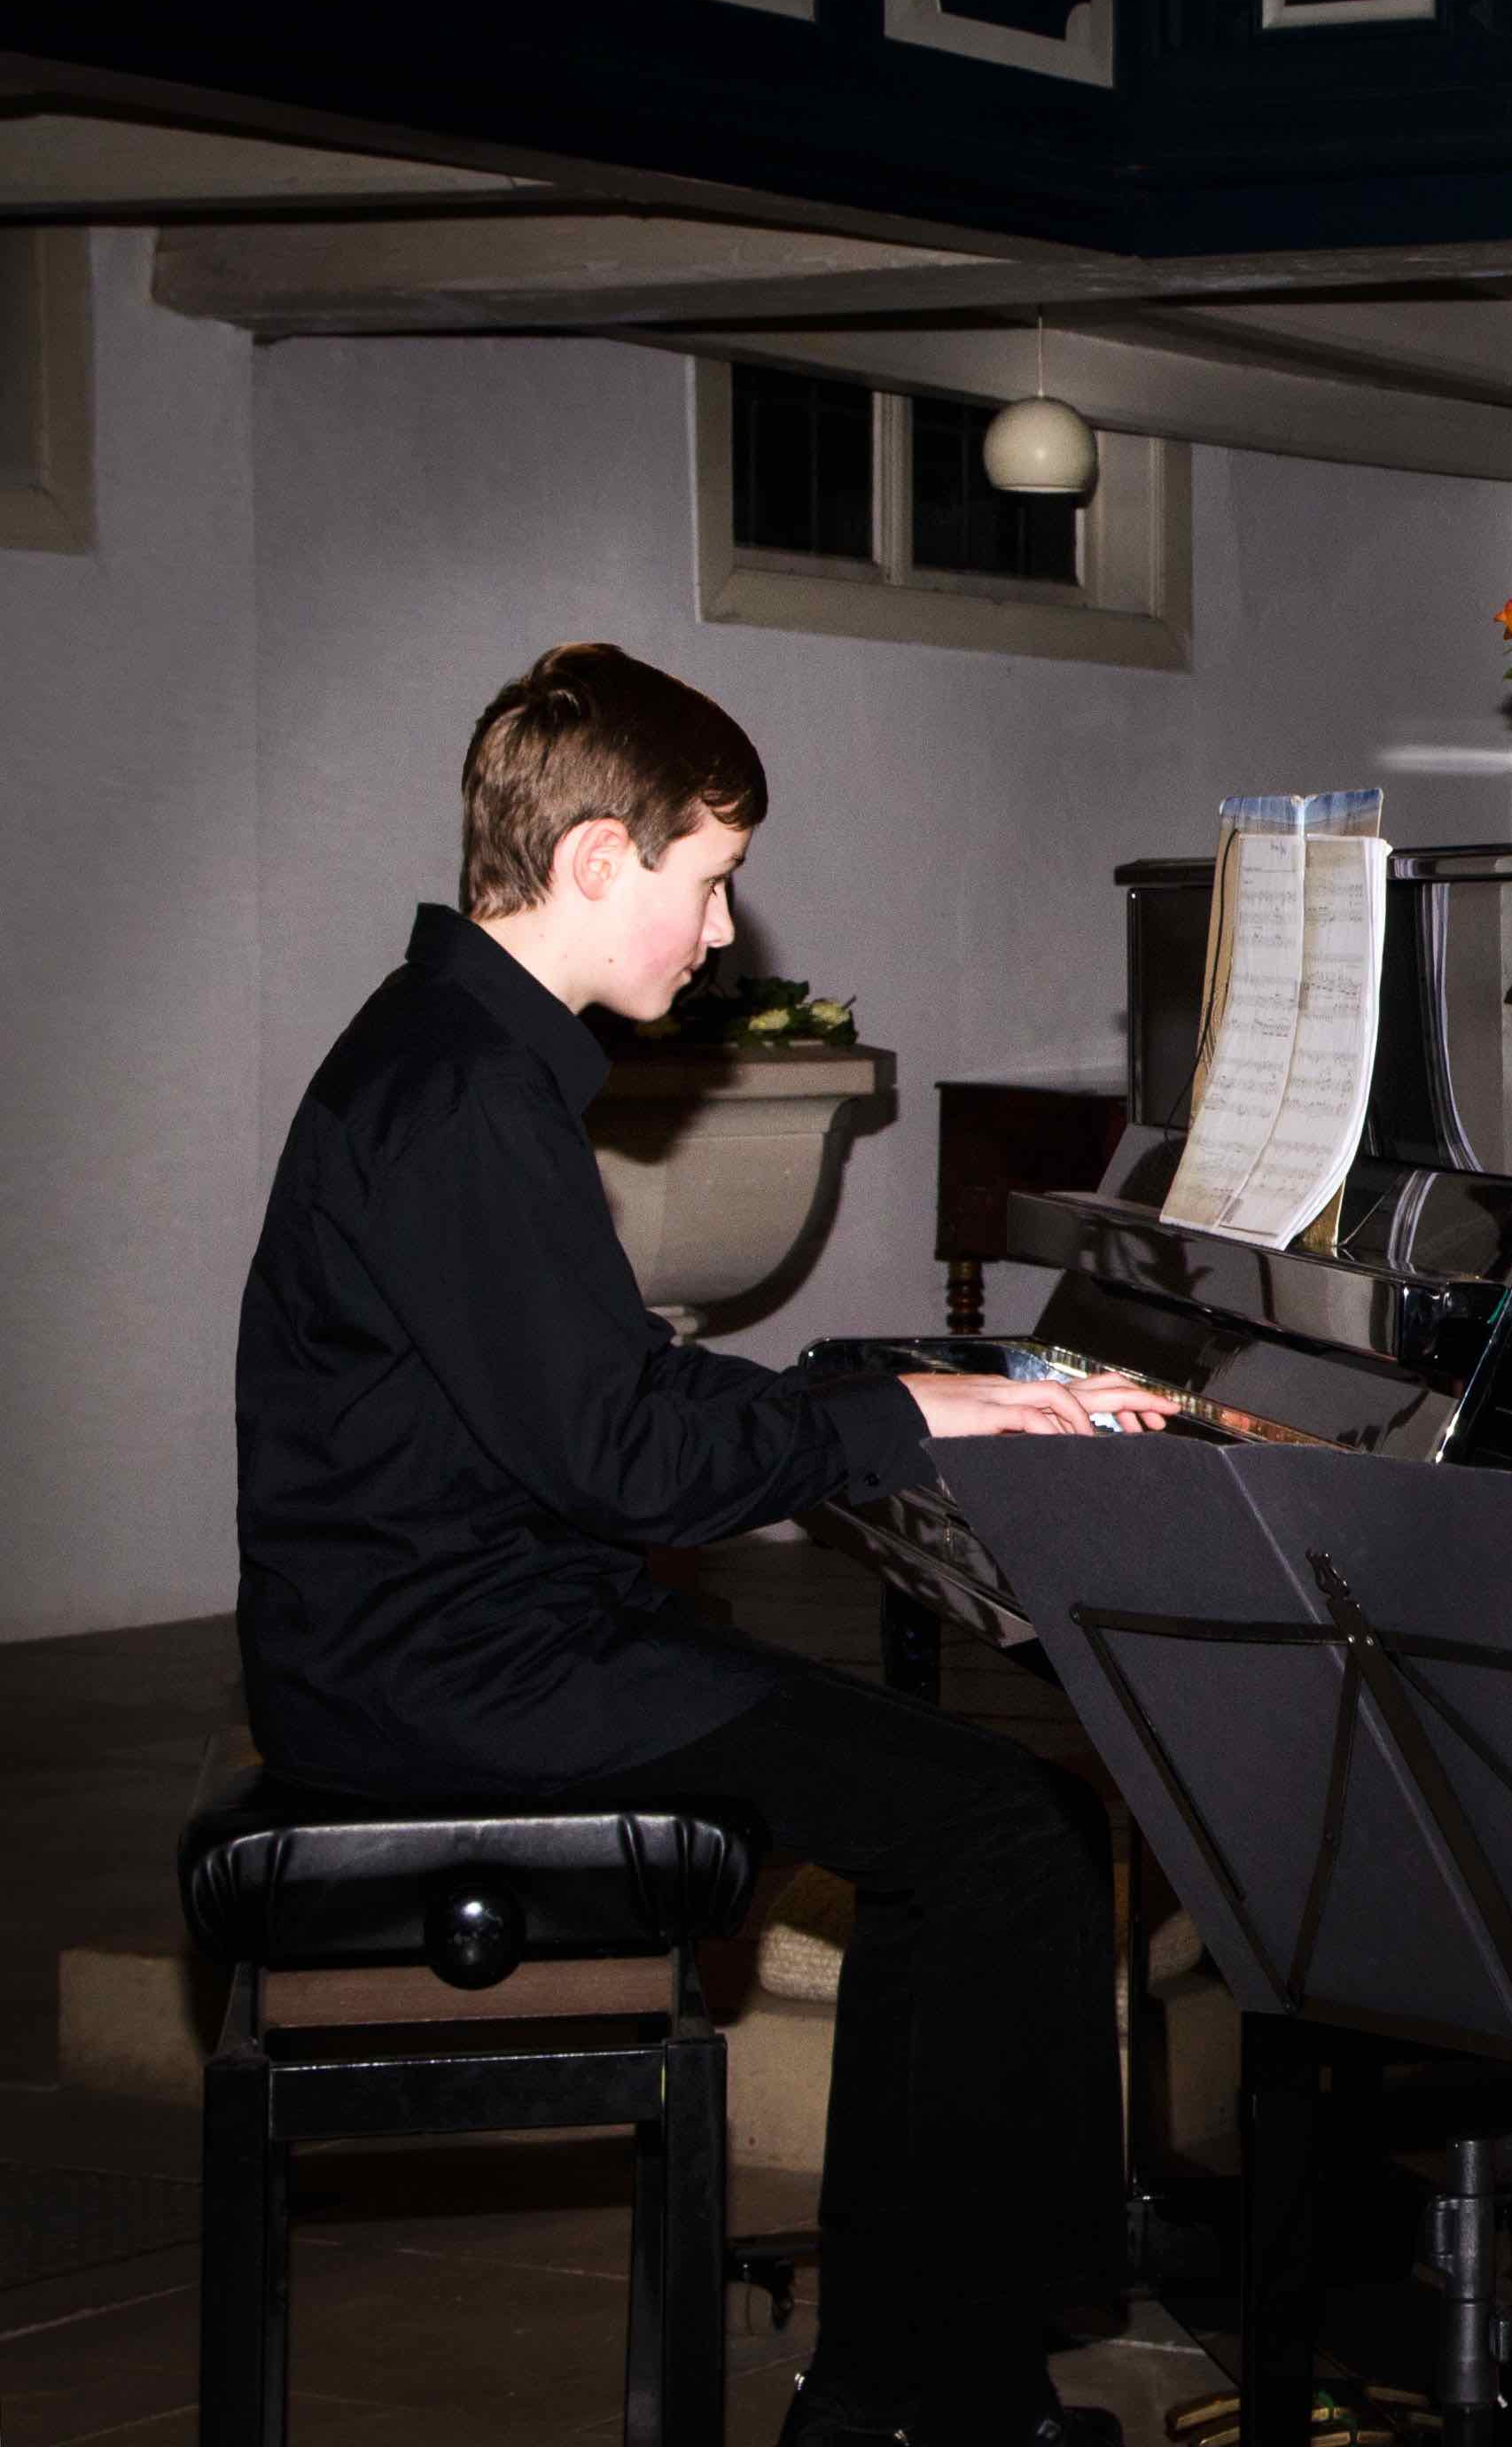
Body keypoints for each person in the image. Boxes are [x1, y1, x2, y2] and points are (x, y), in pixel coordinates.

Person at [234, 643, 1178, 2447]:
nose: (725, 927)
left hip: (472, 1625)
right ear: (598, 863)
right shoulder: (458, 1095)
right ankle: (939, 2394)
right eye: (707, 876)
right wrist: (916, 1411)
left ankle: (909, 2372)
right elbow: (622, 1451)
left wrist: (892, 1397)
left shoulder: (454, 1054)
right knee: (996, 1833)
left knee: (978, 1817)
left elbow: (576, 1404)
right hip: (446, 1671)